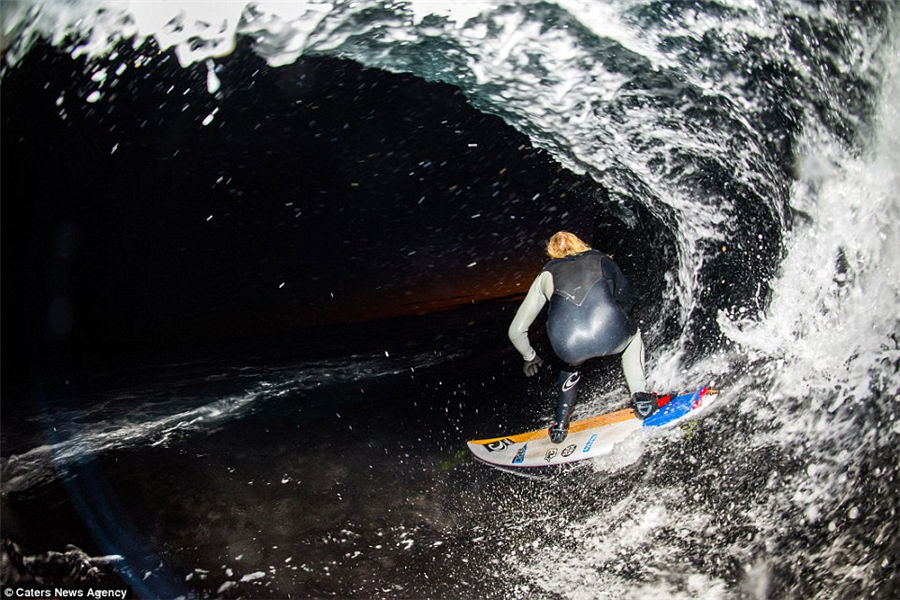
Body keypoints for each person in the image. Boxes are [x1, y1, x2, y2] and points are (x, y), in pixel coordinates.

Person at [508, 231, 657, 443]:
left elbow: (516, 331)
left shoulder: (546, 275)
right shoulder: (602, 259)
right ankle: (641, 398)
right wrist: (617, 321)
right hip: (610, 331)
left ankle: (560, 426)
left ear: (552, 251)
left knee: (568, 364)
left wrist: (530, 357)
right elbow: (627, 299)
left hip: (569, 344)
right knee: (633, 338)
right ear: (579, 243)